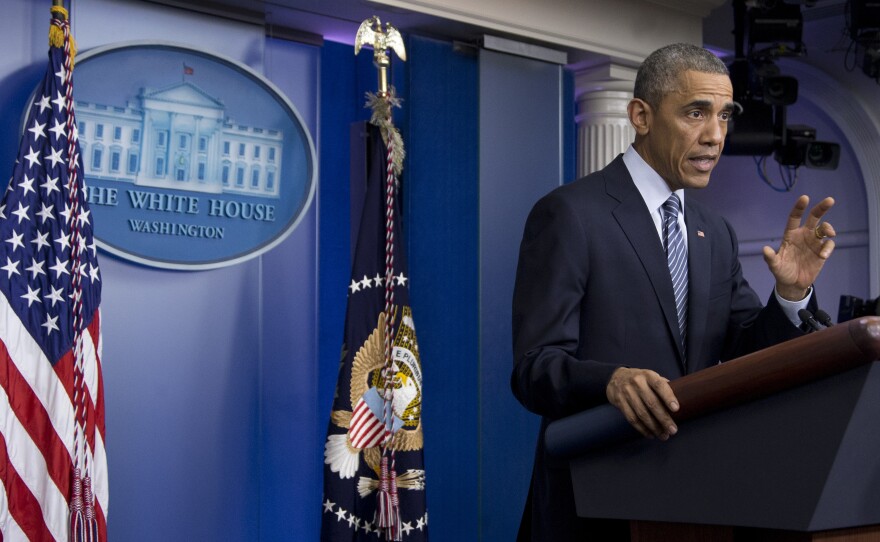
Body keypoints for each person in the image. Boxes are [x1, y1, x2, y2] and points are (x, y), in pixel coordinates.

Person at [510, 43, 836, 542]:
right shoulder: (571, 215)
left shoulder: (714, 230)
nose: (716, 136)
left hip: (694, 500)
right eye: (695, 113)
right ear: (641, 115)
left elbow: (746, 347)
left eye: (724, 116)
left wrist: (791, 294)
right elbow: (535, 367)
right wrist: (611, 381)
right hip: (595, 504)